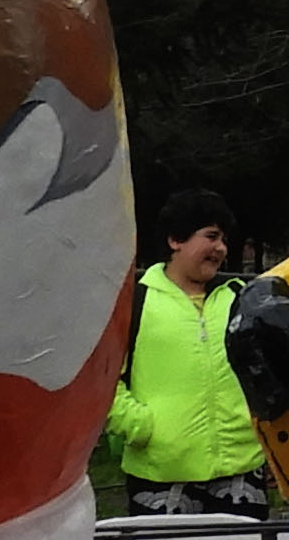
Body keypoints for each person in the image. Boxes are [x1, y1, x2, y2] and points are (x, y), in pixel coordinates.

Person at [107, 191, 270, 516]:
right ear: (175, 240)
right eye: (211, 236)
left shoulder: (241, 300)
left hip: (241, 471)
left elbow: (268, 372)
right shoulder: (133, 302)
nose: (221, 248)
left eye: (224, 239)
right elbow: (102, 379)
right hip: (159, 476)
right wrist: (138, 426)